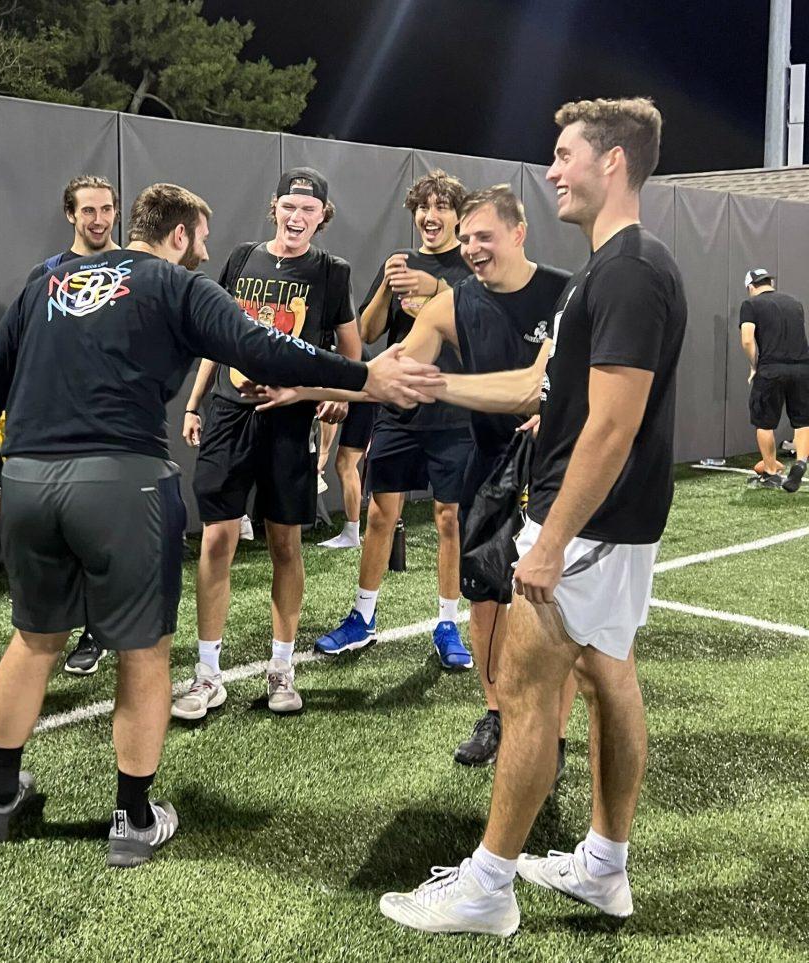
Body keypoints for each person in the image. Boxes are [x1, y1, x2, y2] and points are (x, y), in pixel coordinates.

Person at [0, 182, 446, 867]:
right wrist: (364, 378)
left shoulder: (47, 280)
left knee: (33, 638)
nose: (205, 251)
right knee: (144, 651)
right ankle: (133, 816)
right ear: (179, 235)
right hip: (121, 482)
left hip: (29, 479)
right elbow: (265, 349)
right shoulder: (180, 285)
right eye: (201, 239)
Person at [378, 97, 687, 937]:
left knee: (520, 689)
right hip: (609, 524)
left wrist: (549, 540)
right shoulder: (616, 266)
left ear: (611, 162)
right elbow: (544, 393)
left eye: (563, 154)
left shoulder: (626, 271)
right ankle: (603, 866)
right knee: (609, 676)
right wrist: (412, 382)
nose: (551, 169)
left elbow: (614, 422)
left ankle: (487, 887)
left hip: (584, 525)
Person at [256, 185, 579, 770]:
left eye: (485, 236)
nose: (475, 248)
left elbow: (536, 386)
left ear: (518, 233)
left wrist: (446, 388)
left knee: (551, 611)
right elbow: (383, 372)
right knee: (486, 599)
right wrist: (305, 387)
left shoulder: (564, 293)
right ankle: (498, 713)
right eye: (471, 239)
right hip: (488, 467)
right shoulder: (453, 305)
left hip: (555, 471)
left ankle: (552, 740)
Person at [175, 168, 361, 719]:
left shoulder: (332, 273)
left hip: (290, 421)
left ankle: (282, 668)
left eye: (308, 209)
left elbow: (353, 357)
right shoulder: (240, 258)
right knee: (216, 540)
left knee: (285, 544)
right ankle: (207, 674)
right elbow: (218, 335)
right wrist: (193, 401)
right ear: (274, 208)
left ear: (322, 216)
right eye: (288, 206)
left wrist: (337, 396)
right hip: (230, 414)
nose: (297, 216)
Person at [314, 170, 475, 667]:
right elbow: (366, 331)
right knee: (382, 514)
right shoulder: (400, 263)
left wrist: (437, 285)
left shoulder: (471, 266)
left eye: (441, 207)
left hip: (454, 414)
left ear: (457, 215)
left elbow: (475, 326)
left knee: (450, 518)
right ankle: (363, 618)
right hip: (399, 412)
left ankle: (448, 623)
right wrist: (386, 283)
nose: (430, 216)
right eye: (422, 208)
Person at [27, 174, 123, 674]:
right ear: (71, 214)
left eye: (107, 209)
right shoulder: (45, 275)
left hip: (114, 427)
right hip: (59, 427)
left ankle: (100, 630)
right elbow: (29, 351)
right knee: (65, 537)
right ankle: (61, 627)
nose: (99, 219)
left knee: (104, 536)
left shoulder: (133, 271)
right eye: (89, 210)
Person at [738, 268, 809, 492]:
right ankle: (800, 462)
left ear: (751, 287)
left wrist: (754, 366)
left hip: (771, 368)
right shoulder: (795, 303)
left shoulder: (751, 305)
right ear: (770, 282)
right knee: (803, 420)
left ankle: (770, 472)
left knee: (764, 422)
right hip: (802, 367)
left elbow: (748, 340)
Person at [318, 348, 377, 550]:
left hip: (365, 392)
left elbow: (329, 412)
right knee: (344, 464)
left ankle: (352, 533)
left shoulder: (324, 353)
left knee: (345, 464)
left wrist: (323, 454)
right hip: (359, 384)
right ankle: (353, 531)